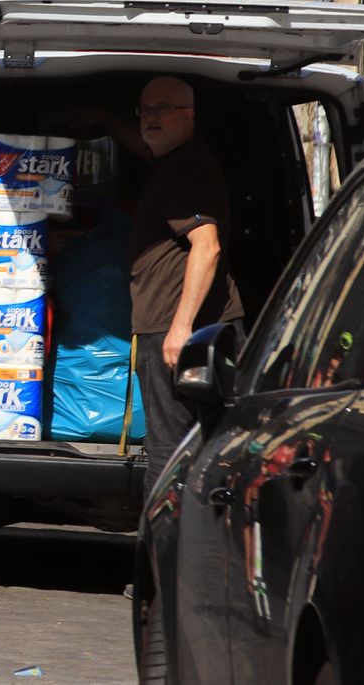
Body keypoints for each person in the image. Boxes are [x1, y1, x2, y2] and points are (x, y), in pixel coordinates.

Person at [92, 77, 244, 494]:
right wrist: (102, 117)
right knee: (201, 441)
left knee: (168, 446)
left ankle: (165, 531)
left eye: (163, 109)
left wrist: (181, 327)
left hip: (178, 331)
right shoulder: (176, 160)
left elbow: (207, 247)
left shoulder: (184, 172)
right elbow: (146, 145)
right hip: (181, 327)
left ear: (189, 115)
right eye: (145, 109)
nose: (151, 117)